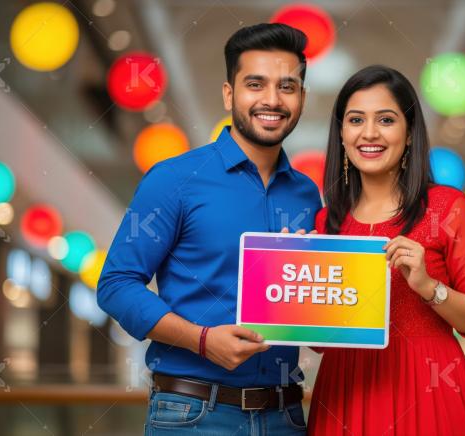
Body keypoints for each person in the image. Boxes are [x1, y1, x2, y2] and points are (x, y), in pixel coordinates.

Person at [97, 23, 322, 435]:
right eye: (256, 84)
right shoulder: (174, 178)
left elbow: (309, 311)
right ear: (229, 93)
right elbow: (116, 285)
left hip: (286, 416)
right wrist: (202, 339)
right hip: (192, 414)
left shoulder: (307, 194)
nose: (272, 100)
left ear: (302, 97)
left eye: (287, 87)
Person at [306, 65, 465, 435]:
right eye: (355, 120)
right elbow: (321, 344)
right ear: (342, 134)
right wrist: (291, 274)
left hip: (429, 388)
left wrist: (430, 287)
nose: (369, 133)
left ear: (410, 133)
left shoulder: (448, 208)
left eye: (385, 119)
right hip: (344, 393)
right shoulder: (326, 222)